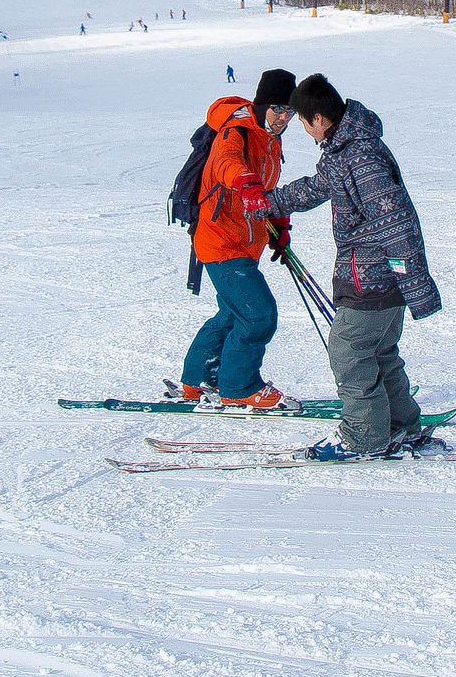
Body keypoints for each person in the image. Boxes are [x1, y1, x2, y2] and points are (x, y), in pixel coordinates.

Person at [261, 73, 442, 461]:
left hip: (374, 275)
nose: (304, 130)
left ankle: (364, 436)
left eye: (304, 122)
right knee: (379, 352)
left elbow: (394, 219)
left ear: (319, 119)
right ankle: (400, 426)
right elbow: (314, 187)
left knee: (348, 351)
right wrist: (268, 203)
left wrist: (411, 280)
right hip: (376, 273)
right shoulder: (345, 150)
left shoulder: (359, 156)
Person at [180, 68, 298, 410]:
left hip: (245, 242)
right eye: (277, 109)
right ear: (262, 106)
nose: (283, 118)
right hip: (220, 241)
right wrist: (246, 183)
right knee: (259, 314)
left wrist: (279, 230)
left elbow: (268, 189)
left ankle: (196, 380)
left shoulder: (270, 139)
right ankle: (239, 386)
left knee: (232, 313)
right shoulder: (236, 132)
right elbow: (228, 165)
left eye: (289, 111)